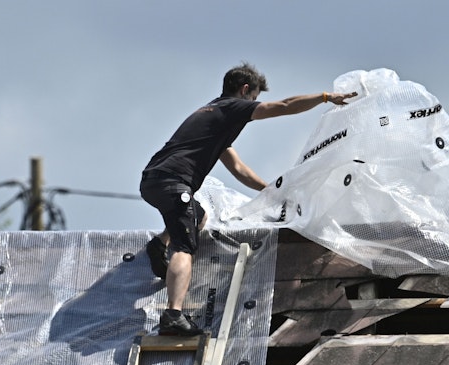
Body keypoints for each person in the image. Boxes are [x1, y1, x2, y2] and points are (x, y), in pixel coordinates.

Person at [140, 62, 356, 336]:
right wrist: (326, 97)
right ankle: (172, 315)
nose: (254, 104)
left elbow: (239, 170)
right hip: (172, 183)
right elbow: (286, 106)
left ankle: (159, 245)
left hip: (154, 179)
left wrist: (271, 191)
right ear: (244, 90)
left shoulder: (213, 118)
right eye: (254, 98)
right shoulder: (232, 107)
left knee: (200, 216)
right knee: (185, 248)